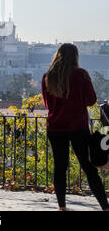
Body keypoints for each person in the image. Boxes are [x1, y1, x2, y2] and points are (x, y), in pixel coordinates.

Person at [41, 43, 109, 211]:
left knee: (60, 167)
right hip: (77, 127)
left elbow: (47, 104)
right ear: (76, 57)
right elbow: (91, 100)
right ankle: (105, 207)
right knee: (88, 167)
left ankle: (62, 206)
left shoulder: (48, 76)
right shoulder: (81, 75)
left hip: (55, 127)